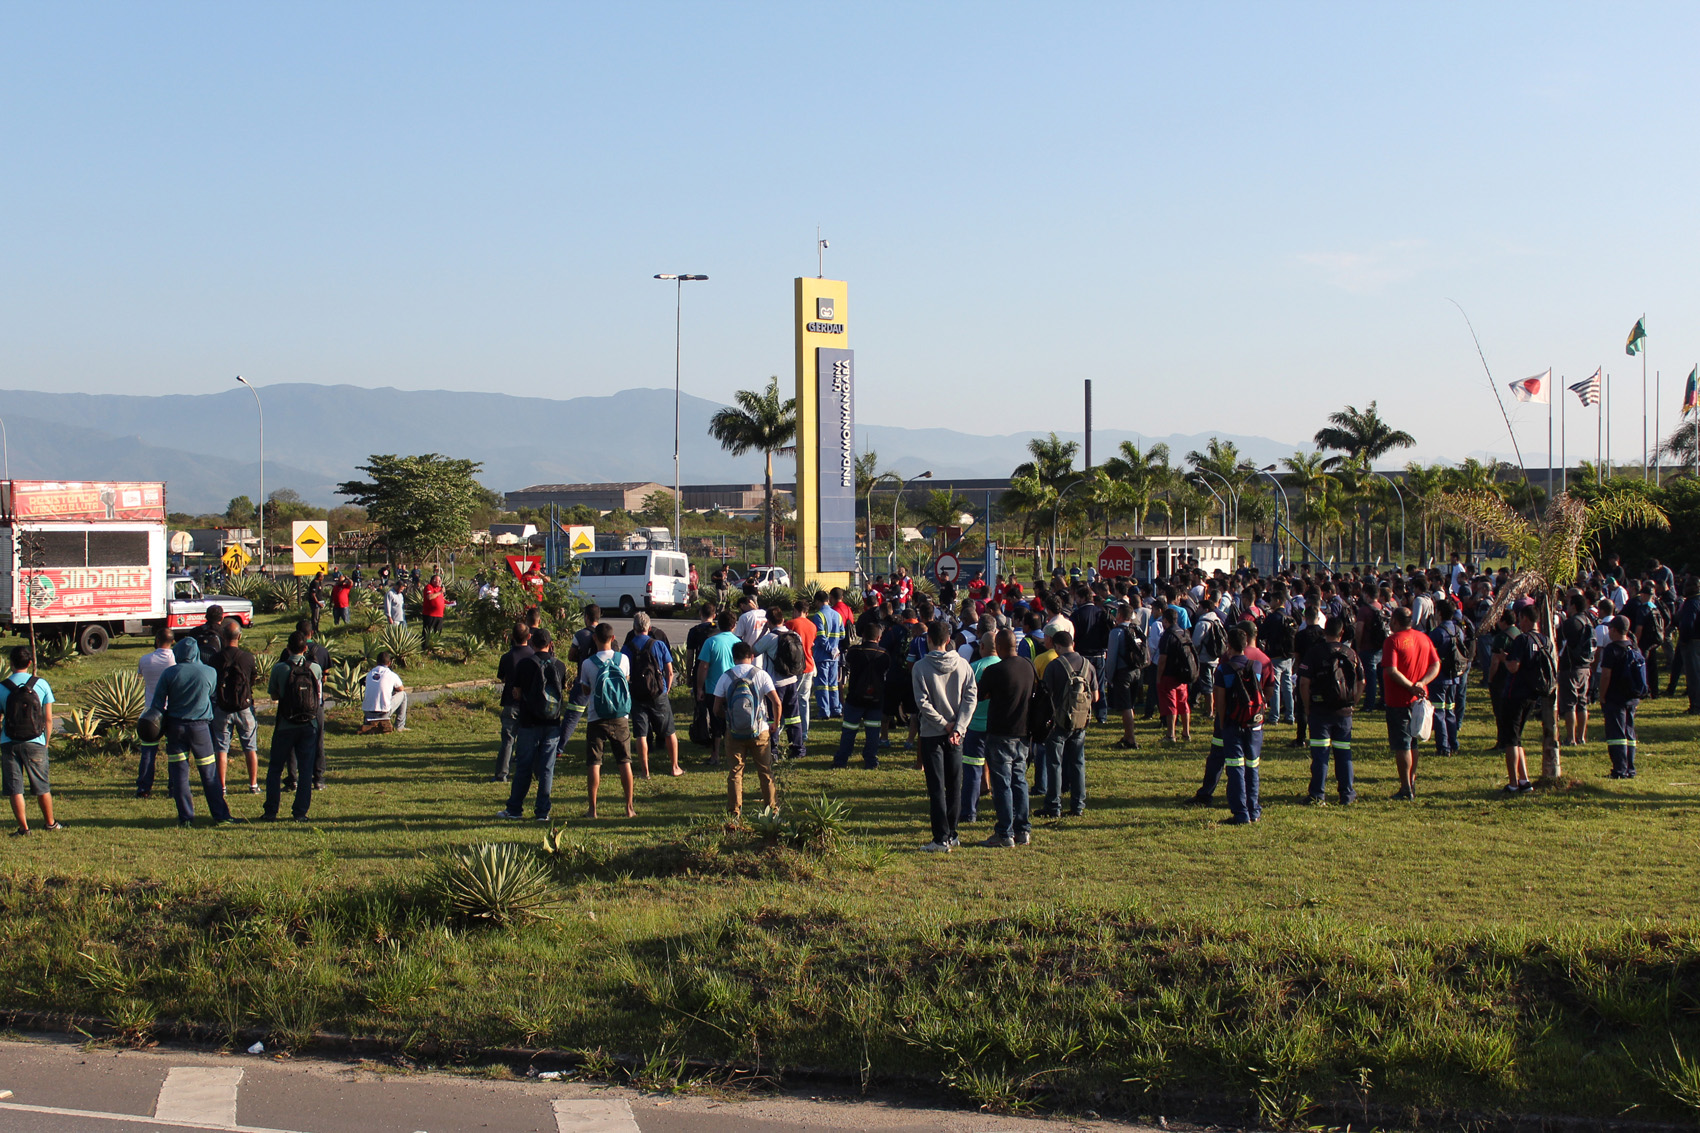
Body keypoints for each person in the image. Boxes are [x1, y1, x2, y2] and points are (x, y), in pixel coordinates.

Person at [148, 636, 239, 826]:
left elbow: (157, 704)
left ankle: (186, 817)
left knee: (180, 774)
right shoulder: (209, 672)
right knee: (209, 773)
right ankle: (221, 815)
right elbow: (212, 696)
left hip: (175, 728)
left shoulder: (169, 673)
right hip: (201, 729)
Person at [912, 619, 978, 852]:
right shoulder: (963, 665)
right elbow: (971, 697)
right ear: (949, 640)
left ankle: (940, 838)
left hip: (932, 733)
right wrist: (959, 726)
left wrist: (943, 724)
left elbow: (922, 703)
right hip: (956, 734)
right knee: (954, 784)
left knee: (937, 787)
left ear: (929, 640)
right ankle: (952, 832)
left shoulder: (920, 667)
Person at [499, 629, 567, 822]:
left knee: (524, 767)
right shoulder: (560, 665)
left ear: (532, 643)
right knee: (546, 769)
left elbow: (517, 692)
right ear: (550, 644)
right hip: (552, 722)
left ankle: (515, 809)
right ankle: (542, 811)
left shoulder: (525, 664)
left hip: (529, 722)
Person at [976, 629, 1034, 847]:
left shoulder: (994, 670)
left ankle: (1004, 832)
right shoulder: (1028, 666)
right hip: (1023, 732)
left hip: (1000, 732)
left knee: (1002, 784)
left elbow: (980, 694)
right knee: (1019, 781)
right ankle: (1022, 829)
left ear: (998, 647)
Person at [1297, 615, 1361, 805]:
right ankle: (1347, 794)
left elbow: (1303, 682)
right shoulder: (1350, 653)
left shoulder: (1315, 652)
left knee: (1320, 754)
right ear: (1342, 633)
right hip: (1344, 710)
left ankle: (1317, 794)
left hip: (1320, 709)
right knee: (1344, 752)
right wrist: (1353, 702)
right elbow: (1362, 680)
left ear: (1325, 631)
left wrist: (1307, 707)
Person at [715, 640, 782, 817]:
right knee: (765, 771)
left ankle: (734, 813)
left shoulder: (726, 676)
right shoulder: (761, 675)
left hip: (734, 732)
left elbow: (716, 708)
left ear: (733, 658)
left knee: (735, 772)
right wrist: (775, 723)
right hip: (760, 730)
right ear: (751, 657)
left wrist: (729, 719)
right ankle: (772, 811)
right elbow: (776, 702)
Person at [1, 646, 63, 836]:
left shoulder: (2, 687)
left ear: (11, 663)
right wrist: (46, 741)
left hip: (9, 741)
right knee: (42, 786)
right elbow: (48, 718)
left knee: (15, 788)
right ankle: (50, 823)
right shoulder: (41, 684)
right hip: (36, 741)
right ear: (30, 663)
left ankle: (23, 828)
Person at [262, 632, 323, 822]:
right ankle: (300, 812)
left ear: (287, 649)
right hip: (309, 724)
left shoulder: (280, 668)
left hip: (285, 723)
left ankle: (271, 810)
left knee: (275, 768)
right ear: (305, 648)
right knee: (305, 769)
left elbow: (274, 695)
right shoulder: (315, 668)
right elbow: (318, 694)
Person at [1035, 630, 1096, 819]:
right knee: (1078, 762)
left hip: (1059, 721)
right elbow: (1096, 696)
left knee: (1054, 764)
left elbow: (1046, 696)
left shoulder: (1055, 666)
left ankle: (1053, 805)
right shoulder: (1088, 665)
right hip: (1080, 721)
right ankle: (1078, 805)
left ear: (1057, 646)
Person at [1381, 605, 1440, 801]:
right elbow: (1436, 664)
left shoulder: (1393, 641)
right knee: (1413, 742)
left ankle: (1405, 786)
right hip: (1418, 699)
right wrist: (1422, 682)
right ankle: (1411, 782)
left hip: (1399, 699)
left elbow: (1392, 670)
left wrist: (1410, 686)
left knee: (1403, 744)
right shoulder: (1424, 638)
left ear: (1395, 622)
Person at [579, 622, 636, 819]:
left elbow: (586, 689)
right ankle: (629, 808)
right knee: (624, 761)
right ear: (613, 638)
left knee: (594, 762)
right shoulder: (623, 659)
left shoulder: (588, 663)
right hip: (620, 716)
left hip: (596, 717)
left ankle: (593, 809)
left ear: (594, 638)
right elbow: (625, 681)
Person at [1211, 628, 1265, 825]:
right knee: (1253, 766)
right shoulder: (1256, 666)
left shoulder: (1223, 670)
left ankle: (1241, 813)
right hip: (1254, 722)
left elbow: (1220, 700)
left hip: (1233, 722)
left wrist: (1222, 722)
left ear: (1229, 646)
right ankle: (1254, 809)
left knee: (1235, 767)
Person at [1500, 604, 1554, 794]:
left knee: (1510, 740)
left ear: (1525, 618)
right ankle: (1524, 779)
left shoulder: (1522, 639)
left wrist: (1504, 659)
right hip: (1533, 693)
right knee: (1518, 738)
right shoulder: (1545, 640)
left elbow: (1514, 666)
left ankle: (1513, 783)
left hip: (1515, 692)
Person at [624, 612, 682, 778]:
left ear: (634, 628)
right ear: (649, 628)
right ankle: (674, 767)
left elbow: (625, 672)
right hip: (658, 692)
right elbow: (669, 671)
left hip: (637, 693)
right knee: (669, 731)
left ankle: (645, 771)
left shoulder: (628, 647)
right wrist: (666, 689)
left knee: (641, 734)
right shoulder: (658, 645)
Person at [211, 620, 260, 794]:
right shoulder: (247, 657)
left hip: (223, 707)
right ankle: (253, 784)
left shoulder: (215, 658)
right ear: (239, 636)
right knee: (250, 747)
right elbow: (252, 679)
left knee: (221, 748)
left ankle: (222, 786)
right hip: (244, 707)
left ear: (223, 637)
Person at [835, 612, 890, 768]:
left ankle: (842, 760)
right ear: (879, 638)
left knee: (849, 731)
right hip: (876, 699)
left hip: (855, 698)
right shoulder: (884, 654)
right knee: (873, 732)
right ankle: (871, 760)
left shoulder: (854, 652)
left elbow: (847, 664)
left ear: (863, 636)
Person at [1596, 615, 1647, 779]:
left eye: (1610, 629)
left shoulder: (1612, 650)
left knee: (1616, 735)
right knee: (1629, 732)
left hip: (1615, 697)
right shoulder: (1634, 647)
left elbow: (1606, 675)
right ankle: (1630, 768)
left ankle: (1619, 769)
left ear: (1615, 630)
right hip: (1631, 697)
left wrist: (1602, 695)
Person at [959, 633, 999, 823]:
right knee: (1000, 771)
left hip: (974, 726)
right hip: (997, 728)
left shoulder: (973, 667)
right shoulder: (1004, 666)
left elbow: (964, 697)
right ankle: (1003, 810)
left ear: (982, 646)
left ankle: (969, 812)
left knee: (972, 772)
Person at [135, 626, 177, 798]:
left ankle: (144, 788)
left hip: (151, 711)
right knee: (174, 752)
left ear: (157, 640)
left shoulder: (145, 659)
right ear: (173, 641)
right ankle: (173, 787)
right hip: (172, 710)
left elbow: (142, 677)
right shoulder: (176, 660)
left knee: (148, 751)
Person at [1426, 599, 1469, 757]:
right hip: (1454, 677)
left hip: (1440, 677)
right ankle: (1453, 743)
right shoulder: (1458, 630)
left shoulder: (1437, 632)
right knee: (1450, 710)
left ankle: (1443, 746)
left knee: (1439, 712)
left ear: (1439, 613)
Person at [492, 624, 534, 782]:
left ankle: (502, 774)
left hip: (510, 702)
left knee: (508, 741)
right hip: (528, 704)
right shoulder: (533, 656)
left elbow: (502, 677)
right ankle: (526, 772)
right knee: (527, 740)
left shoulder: (507, 657)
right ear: (529, 637)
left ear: (512, 637)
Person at [1557, 592, 1596, 747]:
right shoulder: (1588, 620)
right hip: (1585, 666)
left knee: (1570, 704)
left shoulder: (1571, 623)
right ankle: (1581, 737)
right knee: (1582, 703)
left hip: (1570, 667)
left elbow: (1561, 644)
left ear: (1573, 606)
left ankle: (1570, 738)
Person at [1104, 603, 1144, 749]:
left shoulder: (1116, 632)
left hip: (1123, 672)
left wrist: (1109, 676)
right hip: (1136, 670)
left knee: (1125, 707)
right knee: (1130, 705)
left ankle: (1131, 739)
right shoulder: (1136, 629)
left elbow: (1112, 657)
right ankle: (1127, 735)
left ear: (1120, 615)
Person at [1155, 608, 1196, 743]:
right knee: (1183, 703)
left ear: (1166, 621)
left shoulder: (1167, 636)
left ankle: (1170, 734)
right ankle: (1186, 733)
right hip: (1183, 674)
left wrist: (1158, 677)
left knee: (1170, 705)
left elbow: (1163, 659)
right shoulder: (1184, 633)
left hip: (1169, 674)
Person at [809, 592, 845, 722]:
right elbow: (842, 635)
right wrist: (834, 648)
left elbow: (821, 637)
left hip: (823, 655)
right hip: (835, 656)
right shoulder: (837, 615)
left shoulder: (819, 615)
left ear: (817, 601)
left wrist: (829, 649)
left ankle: (824, 711)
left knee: (822, 685)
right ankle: (836, 709)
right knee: (833, 684)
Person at [361, 651, 408, 731]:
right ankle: (400, 726)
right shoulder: (391, 674)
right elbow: (401, 689)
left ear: (376, 662)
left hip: (367, 712)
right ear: (389, 663)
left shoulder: (369, 674)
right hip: (383, 713)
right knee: (403, 695)